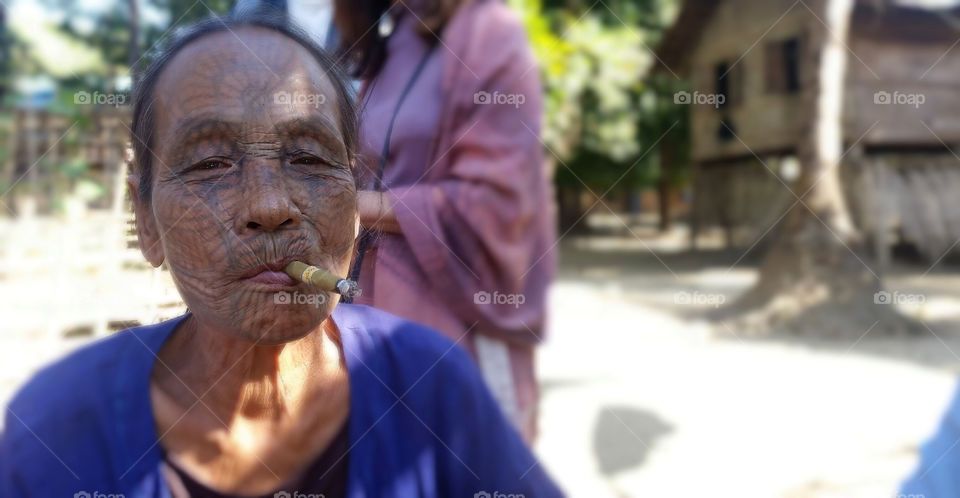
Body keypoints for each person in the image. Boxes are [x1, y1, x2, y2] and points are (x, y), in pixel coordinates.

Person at [0, 11, 561, 498]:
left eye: (311, 159)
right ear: (146, 220)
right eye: (209, 165)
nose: (271, 206)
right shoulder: (57, 426)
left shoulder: (430, 383)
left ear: (353, 192)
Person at [337, 0, 556, 442]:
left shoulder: (488, 31)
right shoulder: (389, 35)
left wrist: (351, 204)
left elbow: (498, 205)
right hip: (365, 317)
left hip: (450, 324)